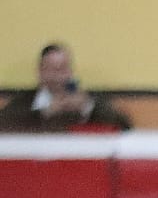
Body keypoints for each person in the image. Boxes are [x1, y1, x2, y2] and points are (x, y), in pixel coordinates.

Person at [0, 42, 131, 132]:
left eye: (63, 68)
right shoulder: (25, 100)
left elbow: (125, 126)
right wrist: (45, 112)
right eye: (52, 69)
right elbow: (4, 123)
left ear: (71, 72)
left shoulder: (86, 99)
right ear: (40, 72)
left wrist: (87, 108)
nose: (58, 76)